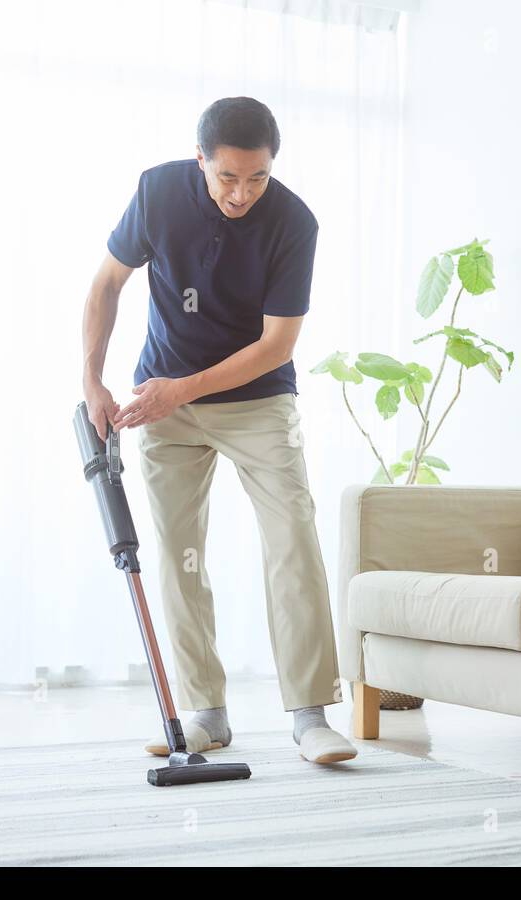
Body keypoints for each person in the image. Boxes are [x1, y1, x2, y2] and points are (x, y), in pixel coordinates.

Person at [80, 96, 356, 764]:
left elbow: (277, 345)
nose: (241, 193)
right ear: (199, 158)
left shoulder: (294, 222)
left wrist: (186, 388)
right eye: (227, 177)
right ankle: (206, 713)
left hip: (257, 400)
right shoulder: (158, 192)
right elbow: (107, 285)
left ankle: (310, 714)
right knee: (179, 552)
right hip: (163, 400)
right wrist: (92, 378)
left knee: (291, 536)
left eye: (256, 178)